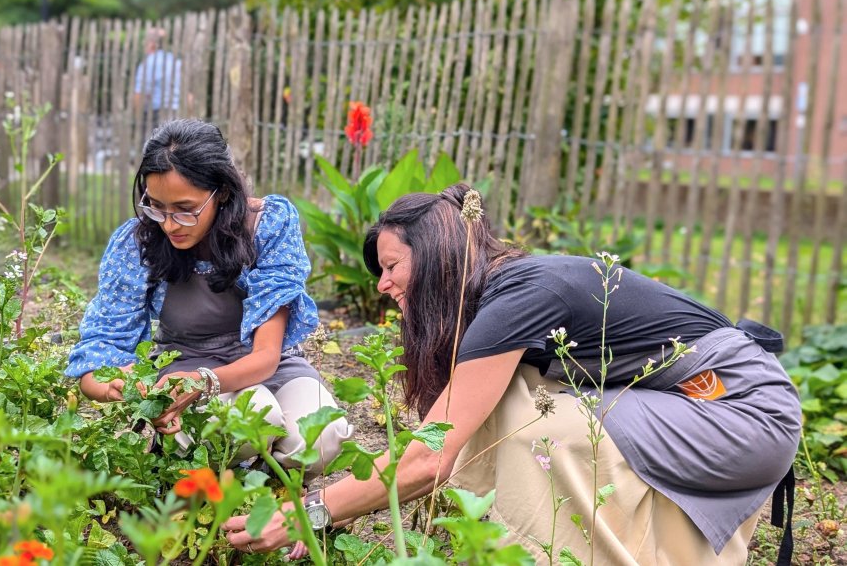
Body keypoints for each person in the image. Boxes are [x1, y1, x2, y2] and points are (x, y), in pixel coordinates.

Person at [223, 184, 801, 564]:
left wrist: (313, 512)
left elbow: (428, 456)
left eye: (393, 266)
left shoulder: (521, 297)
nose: (382, 284)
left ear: (441, 255)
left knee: (529, 423)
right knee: (505, 410)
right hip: (694, 406)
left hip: (741, 410)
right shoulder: (507, 294)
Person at [65, 118, 352, 480]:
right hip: (182, 369)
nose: (169, 224)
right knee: (256, 418)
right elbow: (98, 355)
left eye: (186, 209)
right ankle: (212, 482)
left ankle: (270, 490)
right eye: (156, 206)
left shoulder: (266, 226)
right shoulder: (138, 243)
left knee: (321, 437)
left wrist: (202, 383)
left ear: (223, 193)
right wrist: (120, 386)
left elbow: (265, 358)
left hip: (270, 367)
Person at [133, 28, 182, 136]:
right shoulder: (176, 61)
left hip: (156, 114)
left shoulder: (147, 64)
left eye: (145, 42)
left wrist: (137, 118)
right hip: (177, 114)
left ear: (152, 44)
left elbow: (139, 94)